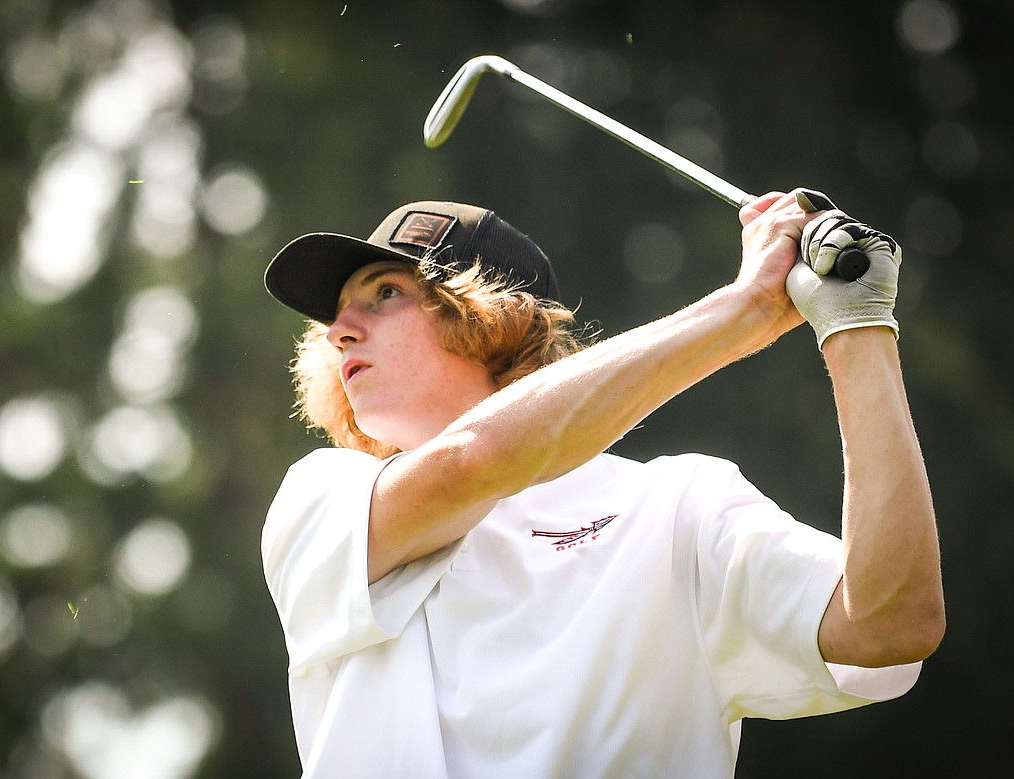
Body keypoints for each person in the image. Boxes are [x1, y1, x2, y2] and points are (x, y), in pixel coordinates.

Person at [260, 192, 944, 778]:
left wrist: (857, 325)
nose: (340, 333)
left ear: (493, 317)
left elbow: (890, 623)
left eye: (386, 293)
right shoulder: (324, 496)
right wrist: (747, 309)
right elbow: (475, 459)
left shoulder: (678, 505)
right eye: (337, 317)